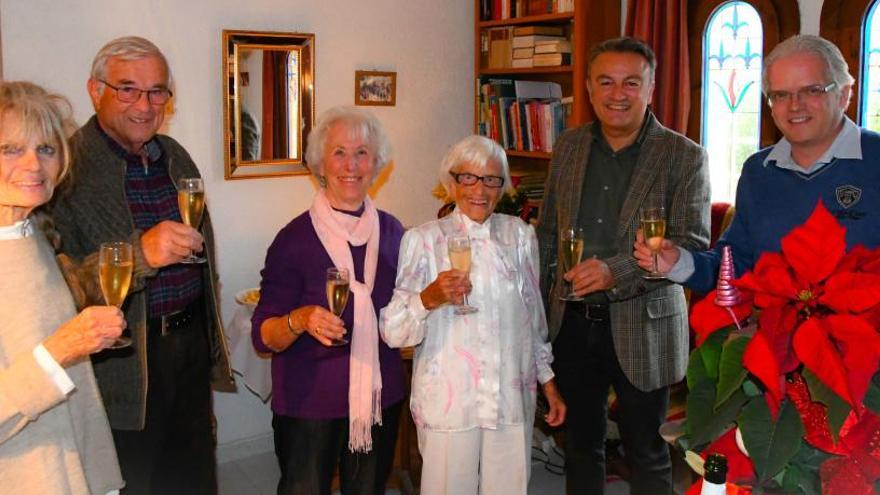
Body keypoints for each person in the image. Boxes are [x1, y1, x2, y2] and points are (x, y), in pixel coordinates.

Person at [51, 36, 234, 494]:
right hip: (123, 363)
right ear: (95, 91)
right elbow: (59, 292)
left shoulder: (173, 155)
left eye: (156, 92)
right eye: (128, 89)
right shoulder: (66, 169)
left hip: (187, 347)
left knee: (193, 476)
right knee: (134, 480)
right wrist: (139, 255)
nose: (145, 104)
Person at [537, 37, 711, 495]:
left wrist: (617, 270)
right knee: (580, 446)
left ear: (651, 88)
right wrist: (537, 311)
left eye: (631, 82)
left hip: (646, 325)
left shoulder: (684, 156)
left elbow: (692, 241)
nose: (618, 94)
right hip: (572, 323)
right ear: (590, 90)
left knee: (647, 453)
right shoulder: (570, 145)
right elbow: (548, 234)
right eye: (606, 82)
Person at [382, 135, 566, 495]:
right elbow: (393, 331)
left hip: (509, 397)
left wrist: (549, 384)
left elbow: (534, 319)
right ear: (451, 183)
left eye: (491, 179)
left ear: (503, 187)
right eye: (468, 177)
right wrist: (427, 299)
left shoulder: (520, 237)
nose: (479, 190)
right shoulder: (423, 241)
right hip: (450, 402)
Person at [633, 34, 880, 291]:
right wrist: (676, 263)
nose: (795, 105)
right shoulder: (758, 171)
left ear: (843, 94)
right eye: (781, 95)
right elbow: (734, 264)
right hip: (772, 330)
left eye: (812, 90)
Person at [251, 106, 405, 495]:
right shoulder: (293, 240)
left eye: (362, 153)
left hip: (378, 398)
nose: (350, 165)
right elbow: (263, 336)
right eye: (339, 152)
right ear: (320, 163)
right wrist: (299, 319)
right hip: (309, 403)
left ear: (377, 163)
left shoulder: (394, 232)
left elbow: (408, 309)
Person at [0, 81, 125, 494]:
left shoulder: (31, 230)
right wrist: (61, 349)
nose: (34, 164)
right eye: (11, 149)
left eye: (47, 149)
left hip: (75, 459)